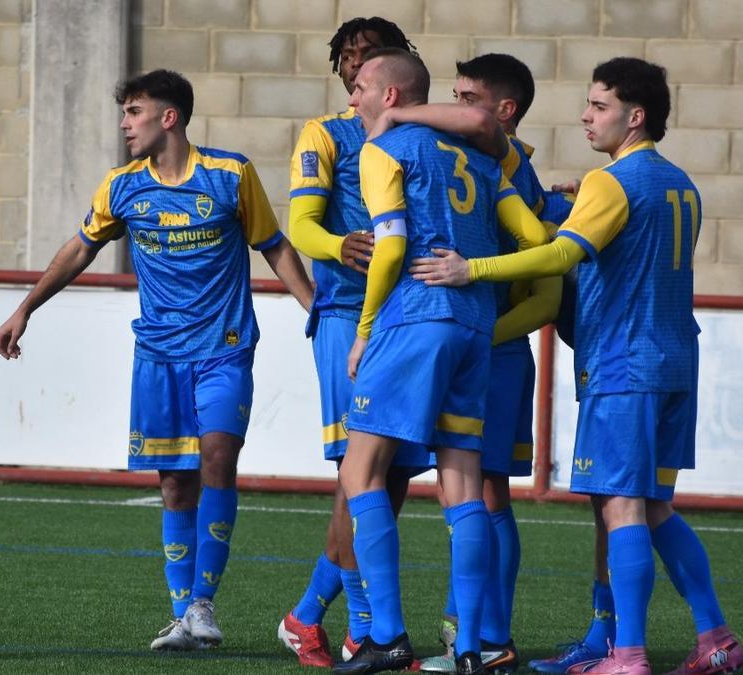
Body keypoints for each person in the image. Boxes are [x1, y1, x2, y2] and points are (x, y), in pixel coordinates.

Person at [410, 57, 741, 675]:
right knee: (653, 506)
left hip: (624, 367)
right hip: (673, 361)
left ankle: (629, 655)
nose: (586, 116)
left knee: (621, 507)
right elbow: (625, 250)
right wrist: (573, 202)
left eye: (599, 106)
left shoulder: (610, 184)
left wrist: (469, 268)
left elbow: (561, 255)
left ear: (634, 117)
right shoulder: (679, 183)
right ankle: (713, 637)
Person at [0, 69, 313, 651]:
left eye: (133, 112)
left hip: (224, 348)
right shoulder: (121, 187)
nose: (124, 124)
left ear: (169, 118)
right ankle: (181, 617)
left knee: (218, 457)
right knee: (174, 485)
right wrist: (27, 308)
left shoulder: (229, 174)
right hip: (159, 354)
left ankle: (203, 603)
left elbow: (274, 245)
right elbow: (80, 248)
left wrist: (313, 306)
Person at [330, 48, 548, 675]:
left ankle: (388, 636)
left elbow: (392, 245)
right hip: (476, 331)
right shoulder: (483, 161)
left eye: (364, 88)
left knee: (361, 472)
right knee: (464, 489)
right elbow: (536, 240)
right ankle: (474, 647)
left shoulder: (381, 149)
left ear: (392, 97)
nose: (354, 99)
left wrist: (365, 329)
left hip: (413, 322)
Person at [278, 17, 434, 669]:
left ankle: (311, 613)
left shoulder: (424, 136)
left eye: (367, 57)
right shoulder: (326, 133)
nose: (353, 67)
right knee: (359, 470)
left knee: (392, 475)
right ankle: (359, 624)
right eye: (346, 57)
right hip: (348, 311)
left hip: (410, 316)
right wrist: (339, 245)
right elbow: (301, 226)